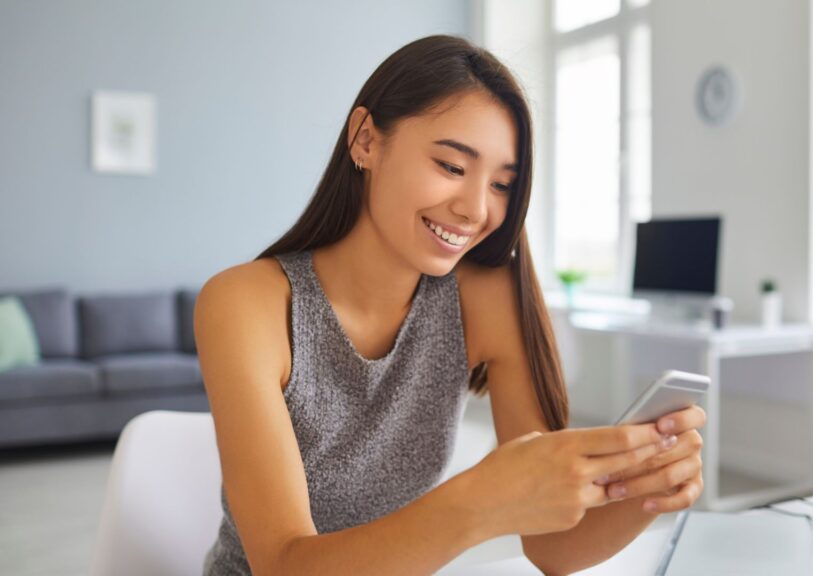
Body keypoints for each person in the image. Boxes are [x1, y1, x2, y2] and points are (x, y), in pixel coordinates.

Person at [195, 34, 706, 575]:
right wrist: (480, 500)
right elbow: (282, 565)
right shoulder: (245, 303)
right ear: (366, 140)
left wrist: (643, 490)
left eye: (502, 184)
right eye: (452, 166)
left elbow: (553, 547)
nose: (475, 209)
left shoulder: (485, 294)